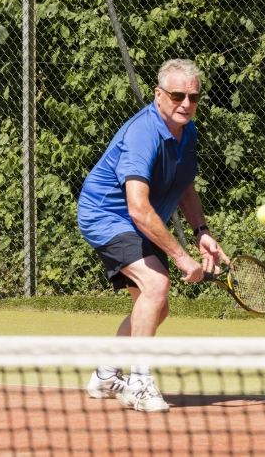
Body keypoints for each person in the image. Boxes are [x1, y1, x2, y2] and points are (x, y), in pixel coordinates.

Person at [77, 59, 230, 412]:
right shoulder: (142, 134)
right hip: (107, 216)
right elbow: (137, 208)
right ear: (159, 94)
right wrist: (181, 257)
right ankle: (140, 382)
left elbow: (184, 184)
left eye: (193, 97)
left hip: (141, 219)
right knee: (156, 285)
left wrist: (201, 232)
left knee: (156, 308)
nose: (186, 103)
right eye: (178, 95)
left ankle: (105, 375)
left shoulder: (186, 131)